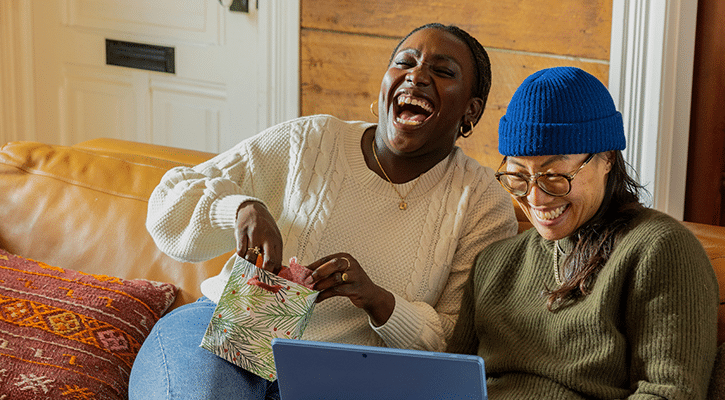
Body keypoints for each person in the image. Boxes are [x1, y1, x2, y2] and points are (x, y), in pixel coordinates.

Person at [129, 23, 519, 399]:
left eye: (441, 70)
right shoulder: (311, 141)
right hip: (224, 331)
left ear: (471, 110)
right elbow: (168, 201)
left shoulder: (483, 202)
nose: (416, 75)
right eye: (404, 62)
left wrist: (378, 300)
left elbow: (454, 346)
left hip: (346, 376)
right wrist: (239, 209)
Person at [447, 66, 719, 399]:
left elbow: (669, 392)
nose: (535, 198)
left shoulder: (658, 249)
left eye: (555, 176)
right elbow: (449, 382)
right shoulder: (493, 264)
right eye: (519, 177)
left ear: (606, 158)